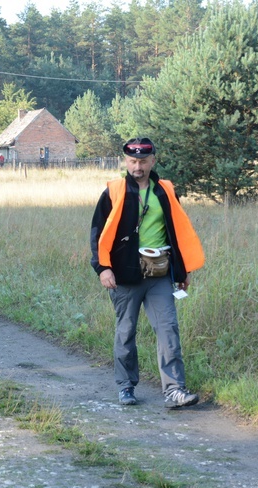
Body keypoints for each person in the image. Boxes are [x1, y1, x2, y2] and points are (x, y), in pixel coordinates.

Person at [90, 138, 205, 409]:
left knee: (168, 329)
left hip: (160, 274)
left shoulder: (165, 190)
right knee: (126, 331)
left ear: (153, 160)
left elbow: (176, 231)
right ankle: (126, 386)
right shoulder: (114, 191)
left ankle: (175, 390)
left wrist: (182, 270)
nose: (137, 166)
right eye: (132, 161)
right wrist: (103, 268)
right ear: (125, 161)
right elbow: (97, 233)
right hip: (124, 275)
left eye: (143, 161)